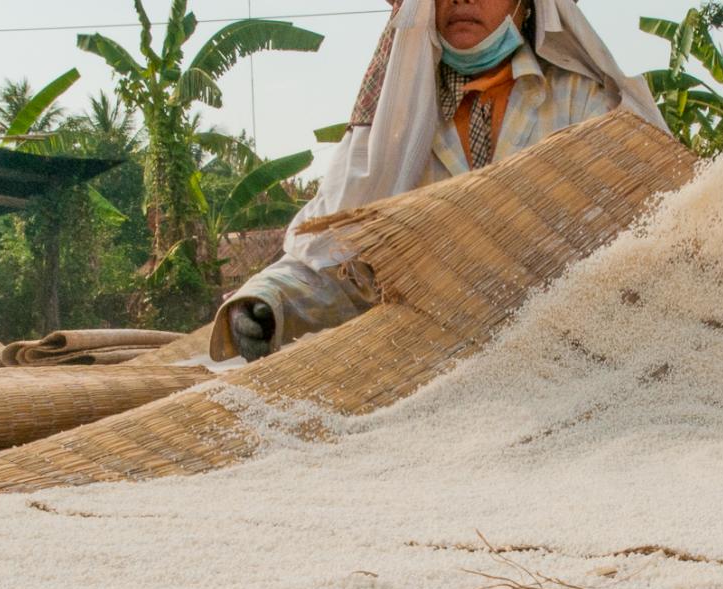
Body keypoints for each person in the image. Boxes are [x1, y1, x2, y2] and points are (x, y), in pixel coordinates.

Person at [213, 0, 666, 361]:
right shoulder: (398, 129)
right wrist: (270, 301)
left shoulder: (583, 104)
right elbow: (339, 256)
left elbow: (643, 237)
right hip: (430, 376)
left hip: (564, 362)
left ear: (526, 6)